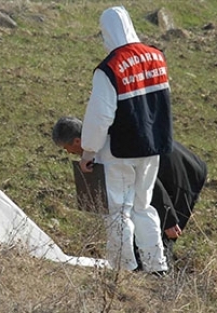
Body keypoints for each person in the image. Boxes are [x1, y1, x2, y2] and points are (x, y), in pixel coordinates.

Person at [75, 5, 175, 274]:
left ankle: (123, 269)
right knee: (144, 206)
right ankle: (157, 266)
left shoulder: (109, 68)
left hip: (120, 150)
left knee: (118, 211)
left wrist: (88, 152)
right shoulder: (157, 56)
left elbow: (100, 116)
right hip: (153, 146)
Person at [52, 117, 207, 271]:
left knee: (161, 236)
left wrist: (170, 220)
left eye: (67, 148)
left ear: (77, 141)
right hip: (160, 168)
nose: (68, 152)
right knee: (141, 233)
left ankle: (159, 281)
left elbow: (149, 184)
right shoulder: (100, 140)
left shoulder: (110, 147)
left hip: (182, 173)